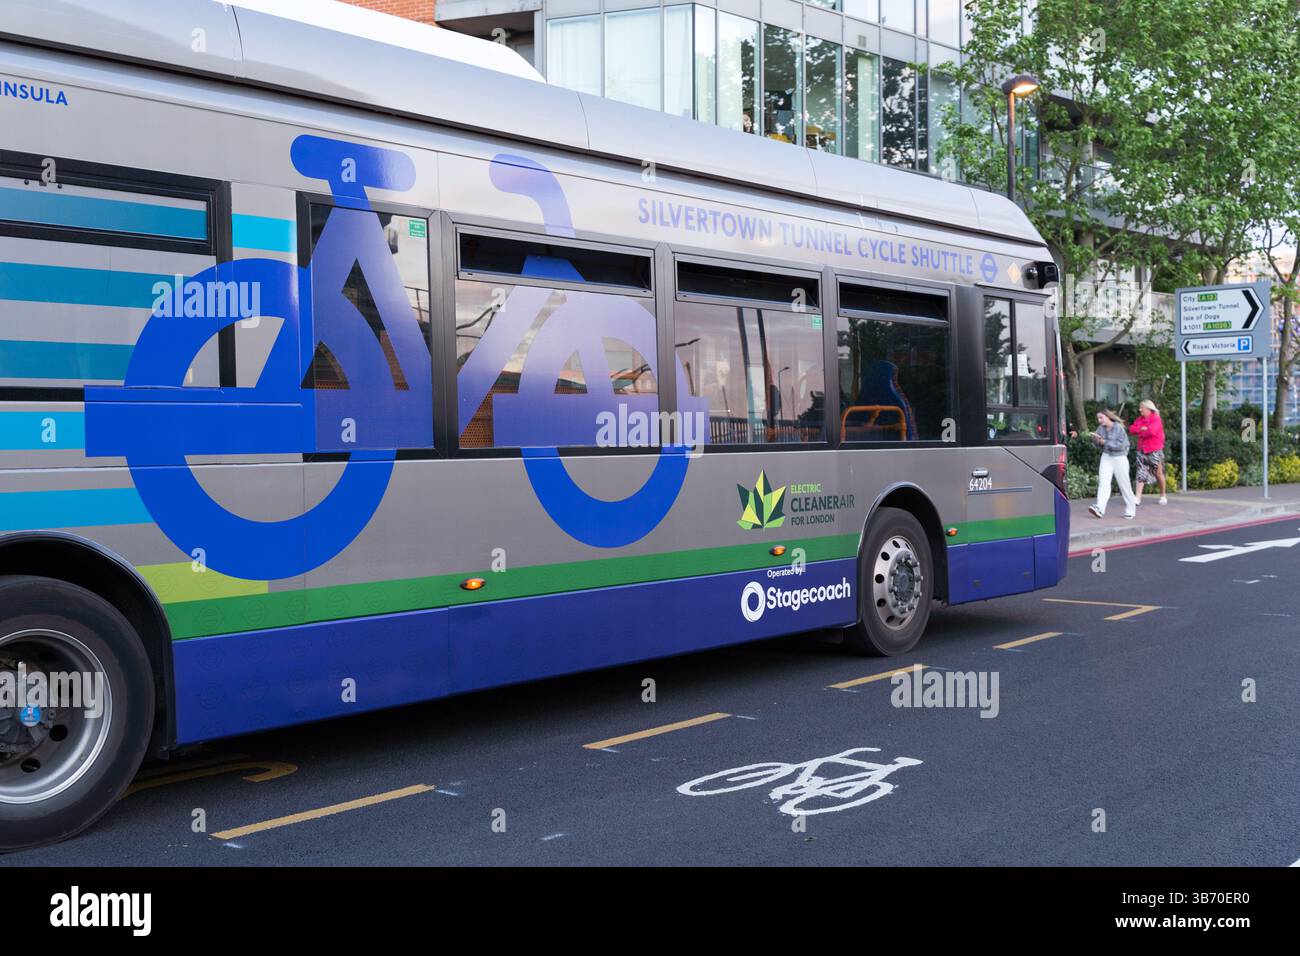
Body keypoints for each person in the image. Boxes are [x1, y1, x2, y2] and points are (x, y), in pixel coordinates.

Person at [1088, 409, 1137, 519]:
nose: (1099, 420)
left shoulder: (1118, 428)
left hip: (1120, 458)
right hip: (1106, 457)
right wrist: (1096, 440)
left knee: (1124, 485)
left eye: (1101, 418)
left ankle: (1130, 509)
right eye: (1098, 418)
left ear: (1108, 417)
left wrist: (1104, 442)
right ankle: (1100, 508)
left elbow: (1121, 445)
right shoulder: (1100, 428)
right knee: (1103, 483)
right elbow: (1096, 445)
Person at [1129, 399, 1168, 505]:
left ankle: (1163, 495)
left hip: (1154, 449)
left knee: (1158, 473)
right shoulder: (1139, 419)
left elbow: (1152, 431)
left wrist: (1140, 430)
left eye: (1142, 407)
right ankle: (1137, 498)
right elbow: (1132, 429)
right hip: (1141, 449)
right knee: (1140, 473)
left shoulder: (1156, 418)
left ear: (1148, 408)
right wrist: (1143, 429)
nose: (1140, 409)